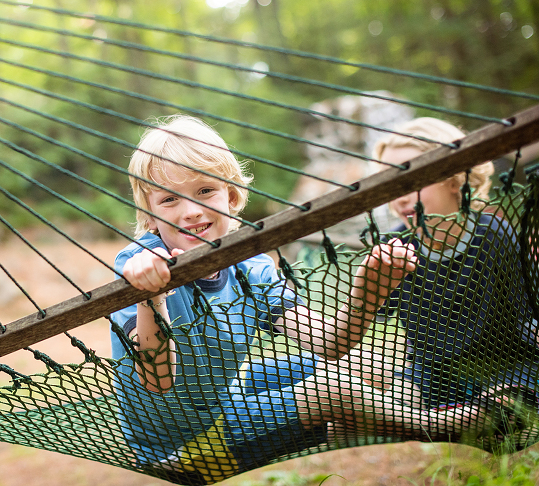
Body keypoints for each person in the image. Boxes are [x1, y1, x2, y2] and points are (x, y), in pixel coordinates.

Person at [109, 115, 482, 485]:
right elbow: (157, 381)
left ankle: (440, 403)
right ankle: (449, 424)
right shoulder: (139, 265)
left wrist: (367, 293)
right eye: (170, 199)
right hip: (179, 444)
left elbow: (328, 342)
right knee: (334, 392)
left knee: (365, 366)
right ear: (150, 214)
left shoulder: (250, 266)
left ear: (232, 195)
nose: (190, 211)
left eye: (205, 191)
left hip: (221, 398)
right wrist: (150, 298)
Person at [368, 117, 539, 411]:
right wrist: (373, 278)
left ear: (453, 179)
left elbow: (527, 317)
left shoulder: (494, 235)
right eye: (391, 184)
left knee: (507, 406)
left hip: (504, 366)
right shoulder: (395, 247)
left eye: (412, 180)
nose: (402, 195)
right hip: (432, 376)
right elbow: (374, 310)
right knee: (383, 407)